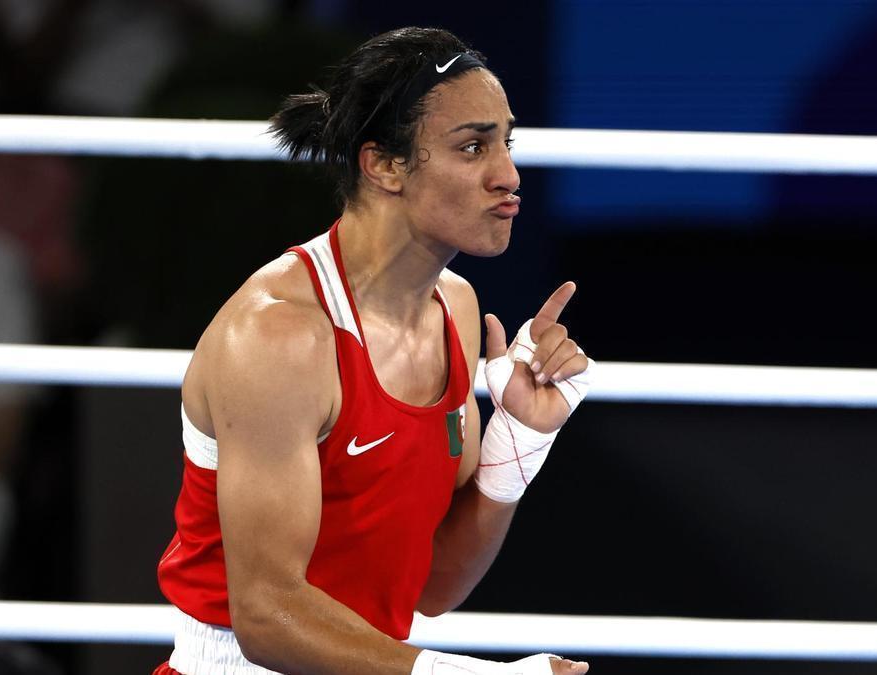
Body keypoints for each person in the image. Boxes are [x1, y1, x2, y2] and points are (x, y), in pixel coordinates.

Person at [154, 27, 593, 675]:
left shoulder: (456, 307)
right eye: (473, 146)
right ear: (383, 164)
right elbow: (268, 615)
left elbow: (433, 585)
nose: (509, 175)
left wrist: (520, 439)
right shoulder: (279, 335)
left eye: (507, 142)